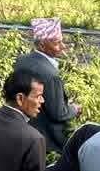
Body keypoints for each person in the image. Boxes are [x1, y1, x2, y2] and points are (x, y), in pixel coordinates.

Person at [13, 18, 80, 152]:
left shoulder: (21, 60)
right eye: (57, 43)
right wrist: (75, 108)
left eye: (62, 41)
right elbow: (58, 113)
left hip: (22, 130)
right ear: (42, 45)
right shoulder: (50, 74)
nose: (63, 46)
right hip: (48, 141)